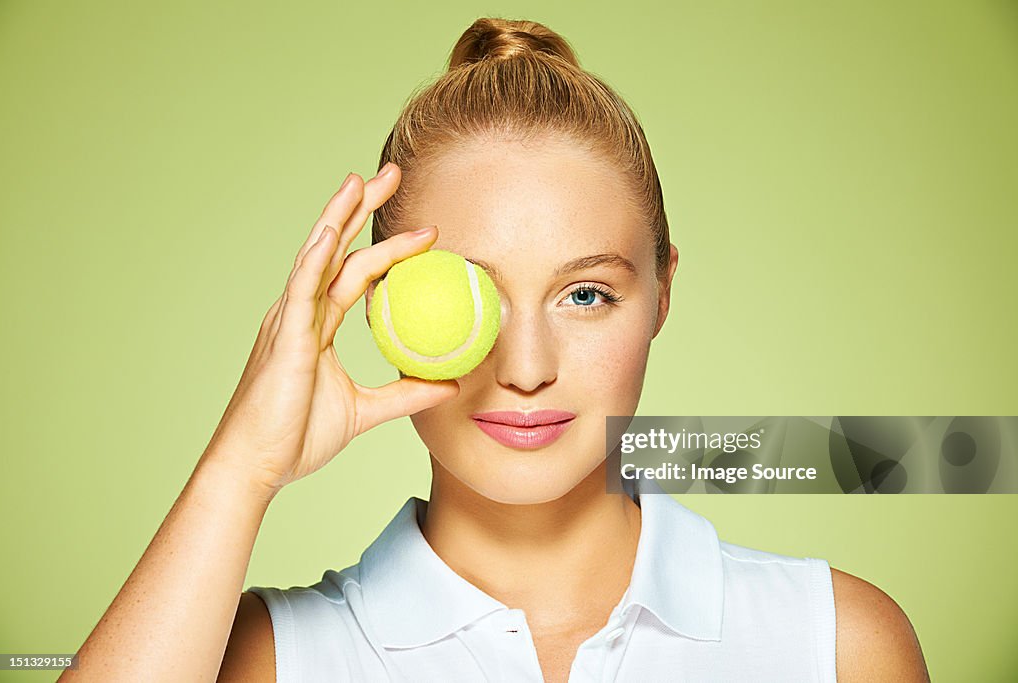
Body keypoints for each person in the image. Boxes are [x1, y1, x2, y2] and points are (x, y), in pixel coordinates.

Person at [63, 17, 930, 683]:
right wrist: (241, 467)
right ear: (377, 305)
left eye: (585, 294)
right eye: (471, 298)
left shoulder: (838, 643)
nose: (525, 367)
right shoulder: (269, 655)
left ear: (663, 291)